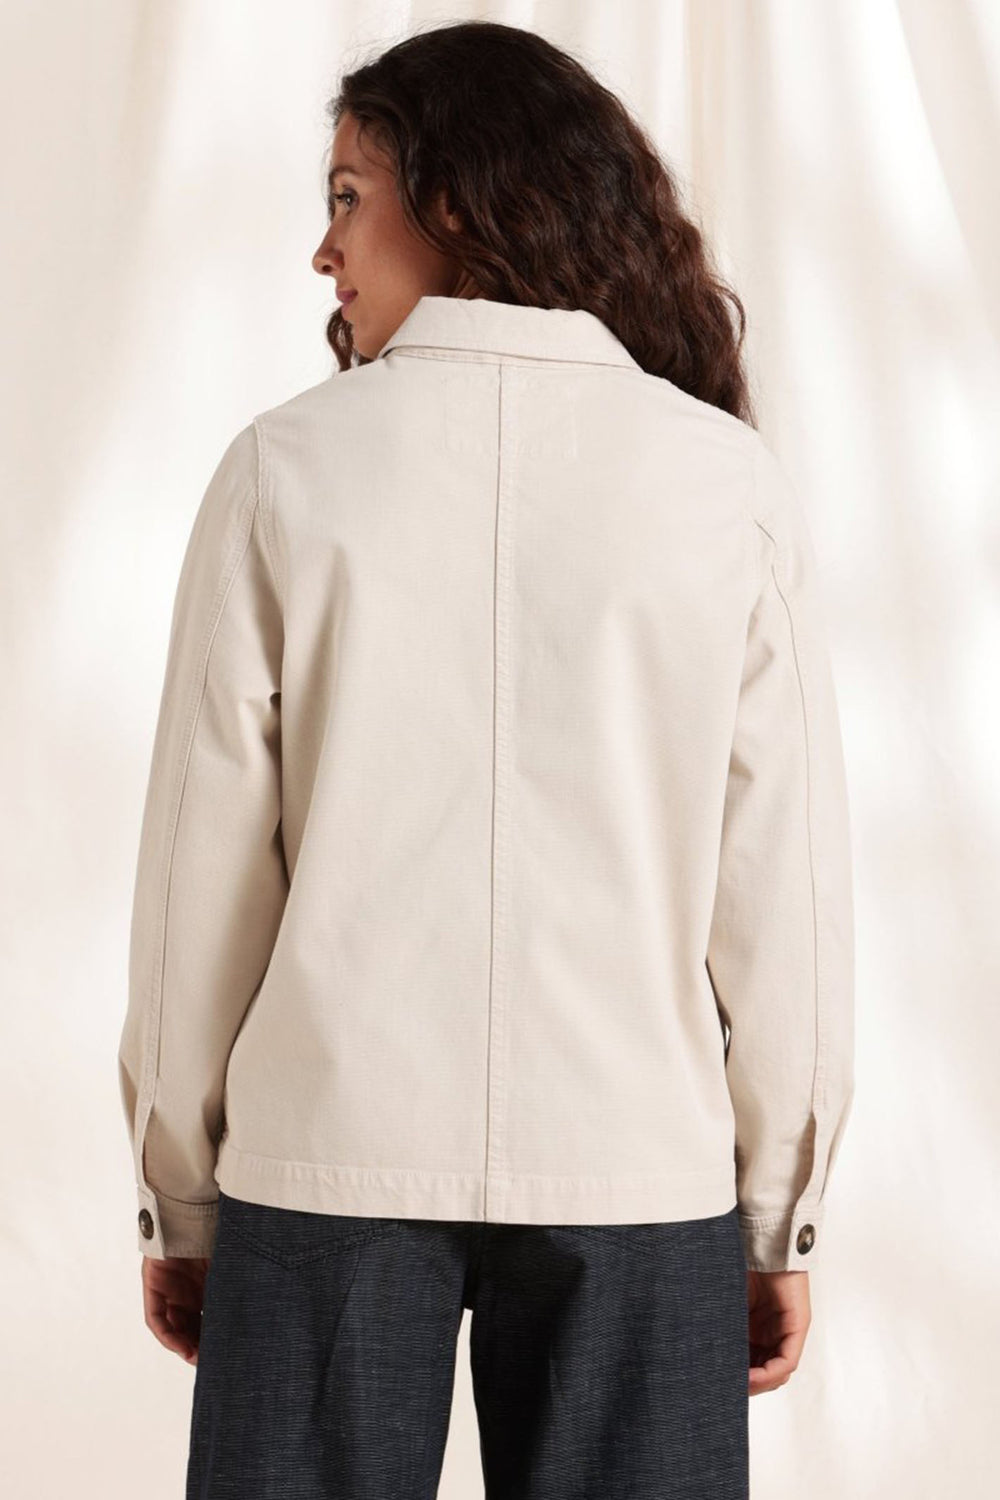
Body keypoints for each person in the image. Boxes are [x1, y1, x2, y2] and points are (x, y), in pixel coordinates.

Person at [117, 20, 855, 1500]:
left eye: (348, 197)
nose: (324, 252)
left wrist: (180, 1198)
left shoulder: (284, 470)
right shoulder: (723, 483)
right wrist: (779, 1208)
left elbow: (201, 877)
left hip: (324, 1165)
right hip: (636, 1171)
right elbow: (786, 899)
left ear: (457, 198)